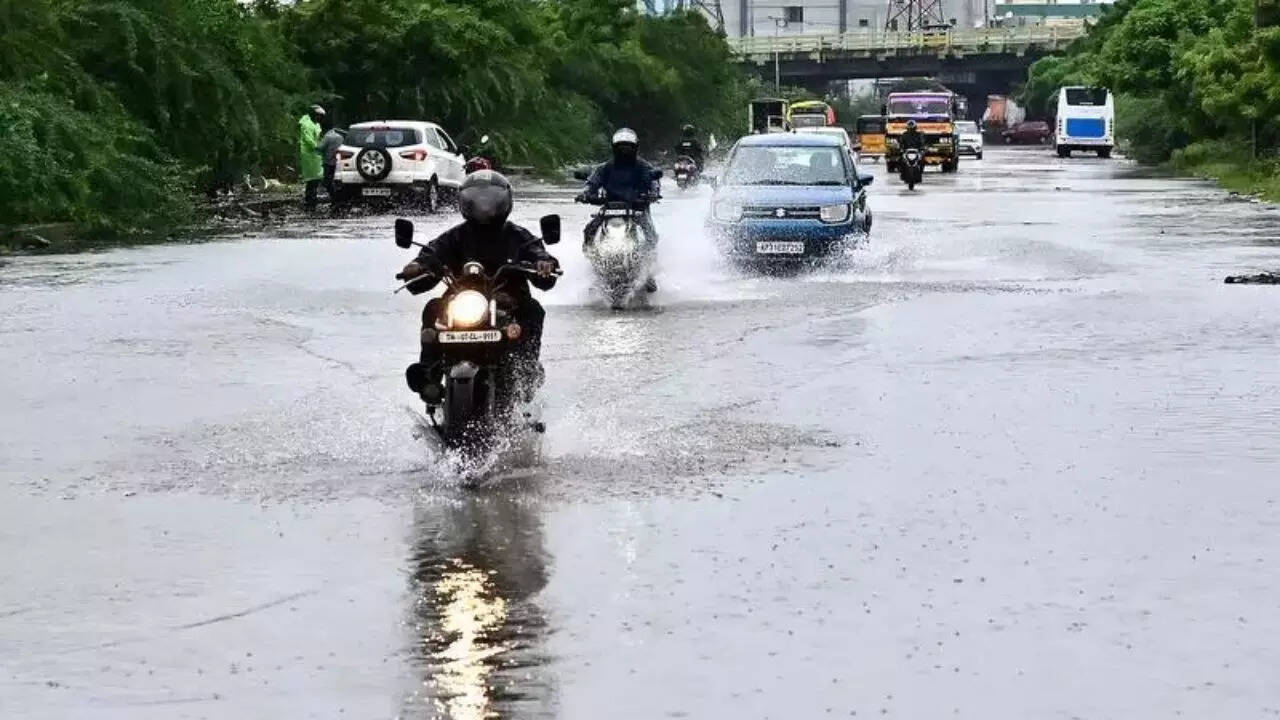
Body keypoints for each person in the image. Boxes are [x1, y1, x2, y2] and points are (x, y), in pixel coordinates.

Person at [397, 171, 559, 403]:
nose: (485, 207)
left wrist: (545, 264)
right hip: (462, 302)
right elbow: (432, 254)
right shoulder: (455, 237)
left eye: (491, 200)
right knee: (433, 308)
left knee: (532, 310)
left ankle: (525, 372)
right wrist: (417, 266)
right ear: (466, 202)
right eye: (478, 200)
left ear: (504, 202)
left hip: (508, 302)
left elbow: (539, 253)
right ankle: (429, 375)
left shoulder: (518, 236)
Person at [576, 128, 661, 291]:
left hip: (637, 210)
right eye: (621, 147)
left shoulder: (643, 166)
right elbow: (592, 182)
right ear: (614, 148)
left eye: (628, 147)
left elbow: (653, 180)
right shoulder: (605, 167)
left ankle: (648, 272)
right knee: (589, 230)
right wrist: (585, 194)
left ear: (635, 148)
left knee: (650, 234)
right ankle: (593, 265)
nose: (624, 151)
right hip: (609, 209)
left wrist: (653, 193)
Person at [298, 105, 325, 209]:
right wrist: (318, 147)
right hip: (309, 154)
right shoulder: (307, 124)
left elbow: (317, 137)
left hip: (315, 155)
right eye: (318, 116)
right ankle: (310, 201)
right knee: (311, 179)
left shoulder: (316, 124)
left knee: (316, 178)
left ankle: (312, 200)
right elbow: (308, 139)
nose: (319, 119)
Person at [317, 123, 346, 199]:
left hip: (328, 161)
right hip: (338, 161)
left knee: (327, 179)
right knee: (336, 178)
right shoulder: (340, 137)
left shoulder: (327, 136)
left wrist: (315, 145)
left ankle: (332, 194)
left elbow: (321, 147)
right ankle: (338, 194)